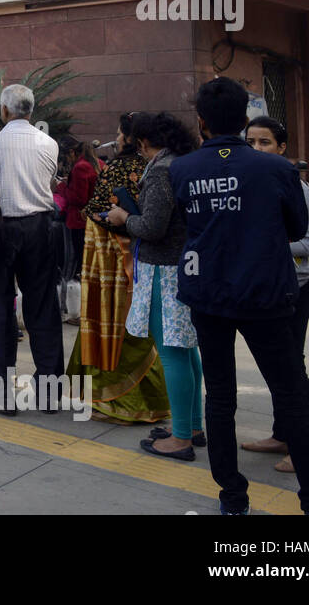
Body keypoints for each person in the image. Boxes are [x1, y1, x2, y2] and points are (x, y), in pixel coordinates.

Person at [170, 76, 309, 515]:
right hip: (267, 296)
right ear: (244, 120)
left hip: (208, 296)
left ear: (201, 120)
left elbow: (184, 225)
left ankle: (232, 499)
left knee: (220, 399)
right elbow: (298, 229)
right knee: (291, 394)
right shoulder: (279, 169)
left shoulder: (182, 169)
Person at [104, 112, 202, 459]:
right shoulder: (184, 163)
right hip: (183, 266)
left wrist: (123, 218)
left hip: (164, 269)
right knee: (187, 349)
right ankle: (192, 425)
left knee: (173, 352)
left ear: (144, 142)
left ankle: (181, 438)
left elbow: (152, 227)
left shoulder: (161, 170)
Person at [234, 116, 309, 474]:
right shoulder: (251, 181)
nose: (256, 149)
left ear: (282, 148)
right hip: (264, 289)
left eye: (265, 143)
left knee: (292, 371)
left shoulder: (296, 187)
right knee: (277, 368)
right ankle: (281, 434)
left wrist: (271, 247)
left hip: (294, 290)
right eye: (251, 142)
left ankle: (301, 446)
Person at [0, 84, 61, 414]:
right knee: (43, 308)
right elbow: (49, 182)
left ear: (4, 112)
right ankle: (49, 393)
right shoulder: (48, 142)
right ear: (31, 111)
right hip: (40, 228)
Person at [66, 112, 169, 424]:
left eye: (120, 132)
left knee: (115, 326)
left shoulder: (122, 167)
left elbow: (97, 210)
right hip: (152, 256)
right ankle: (161, 402)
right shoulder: (163, 166)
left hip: (115, 260)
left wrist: (102, 216)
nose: (117, 136)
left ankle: (117, 401)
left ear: (132, 139)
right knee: (149, 330)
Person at [56, 136, 99, 279]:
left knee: (80, 259)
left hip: (79, 221)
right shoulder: (94, 163)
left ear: (72, 152)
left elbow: (78, 198)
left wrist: (61, 187)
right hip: (92, 219)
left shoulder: (80, 167)